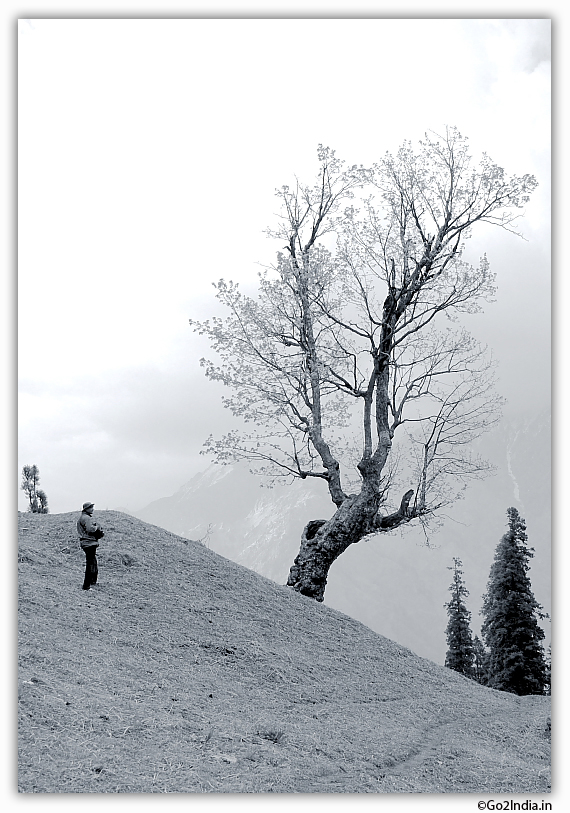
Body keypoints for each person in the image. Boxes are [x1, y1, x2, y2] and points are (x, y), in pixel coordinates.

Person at [77, 502, 104, 590]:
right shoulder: (86, 518)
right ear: (86, 509)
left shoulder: (82, 517)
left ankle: (92, 582)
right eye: (91, 507)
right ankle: (86, 586)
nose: (92, 509)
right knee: (90, 564)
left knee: (92, 563)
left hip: (86, 543)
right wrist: (97, 528)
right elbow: (89, 529)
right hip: (89, 543)